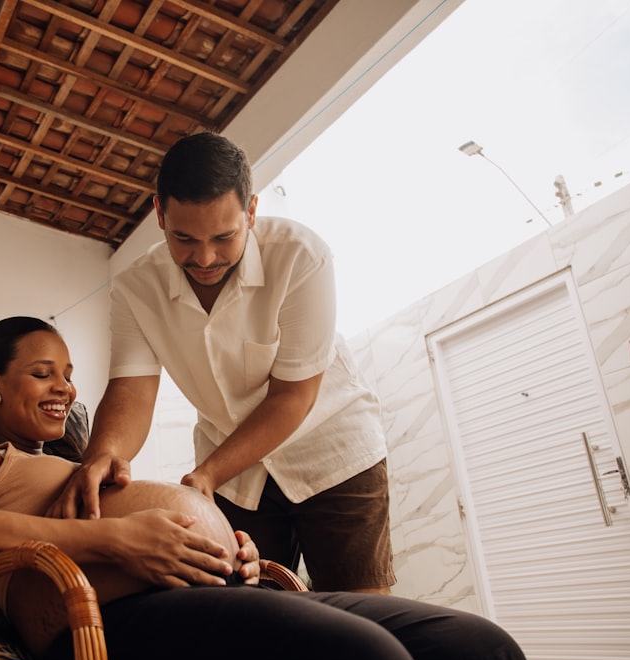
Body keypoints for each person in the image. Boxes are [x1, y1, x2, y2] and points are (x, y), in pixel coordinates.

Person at [0, 316, 549, 660]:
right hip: (98, 630)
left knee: (477, 650)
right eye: (42, 374)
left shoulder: (74, 459)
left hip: (211, 593)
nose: (65, 389)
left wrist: (222, 549)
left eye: (69, 375)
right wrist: (115, 538)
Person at [52, 131, 393, 594]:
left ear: (251, 211)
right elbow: (131, 388)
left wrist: (208, 473)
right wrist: (104, 455)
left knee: (362, 610)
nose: (205, 257)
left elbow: (293, 396)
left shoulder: (301, 256)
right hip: (236, 479)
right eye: (184, 238)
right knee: (250, 617)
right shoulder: (136, 288)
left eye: (224, 236)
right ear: (159, 214)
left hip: (329, 450)